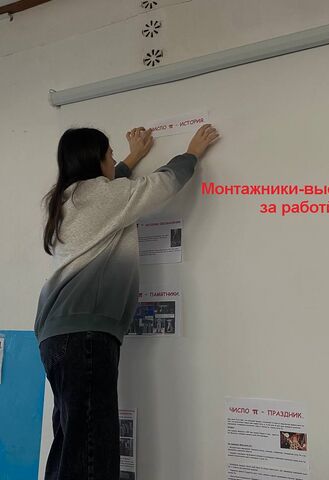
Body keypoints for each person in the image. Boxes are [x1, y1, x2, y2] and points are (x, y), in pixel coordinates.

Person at [34, 123, 219, 480]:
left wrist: (133, 157)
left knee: (73, 444)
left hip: (57, 335)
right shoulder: (103, 197)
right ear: (97, 160)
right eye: (111, 154)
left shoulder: (64, 200)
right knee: (93, 451)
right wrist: (192, 152)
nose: (114, 160)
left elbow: (111, 191)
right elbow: (163, 183)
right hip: (85, 334)